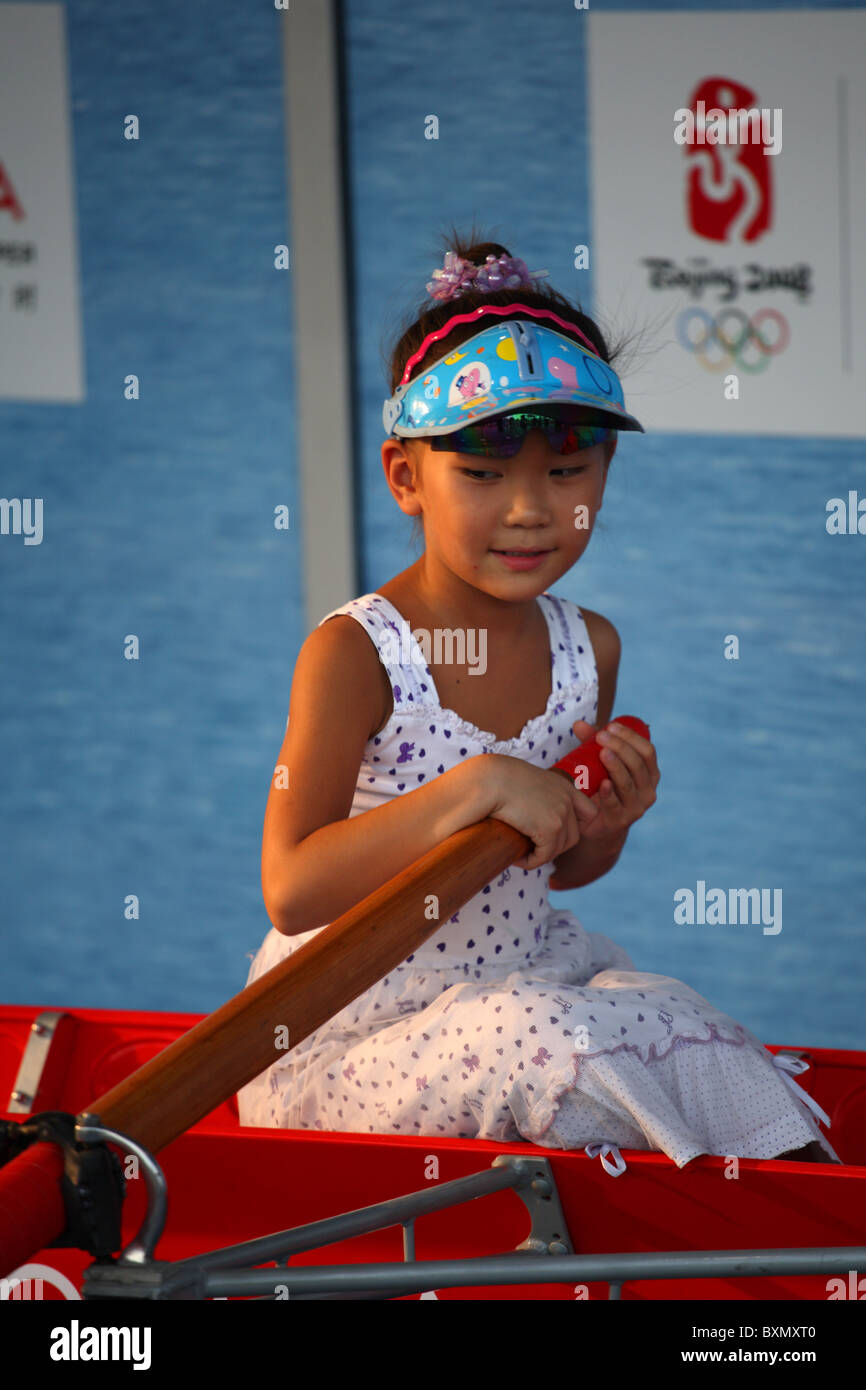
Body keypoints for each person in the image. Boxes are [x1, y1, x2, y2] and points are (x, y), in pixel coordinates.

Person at [236, 229, 840, 1171]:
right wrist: (474, 787)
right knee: (549, 1035)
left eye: (568, 473)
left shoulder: (587, 648)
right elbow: (293, 885)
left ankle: (806, 1248)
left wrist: (605, 823)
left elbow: (552, 871)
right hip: (353, 1040)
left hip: (519, 980)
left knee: (684, 1018)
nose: (530, 512)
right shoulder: (358, 652)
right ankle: (691, 1228)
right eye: (481, 475)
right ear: (406, 477)